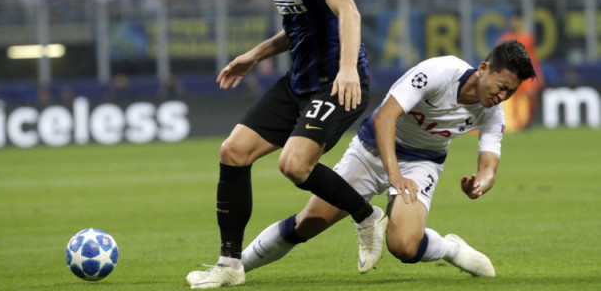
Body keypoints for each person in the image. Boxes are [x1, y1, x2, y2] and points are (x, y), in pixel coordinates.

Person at [186, 0, 386, 289]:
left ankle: (368, 217)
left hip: (336, 85)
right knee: (233, 151)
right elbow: (298, 28)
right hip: (299, 83)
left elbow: (348, 10)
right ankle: (230, 264)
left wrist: (348, 68)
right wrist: (254, 55)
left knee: (293, 165)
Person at [228, 39, 536, 279]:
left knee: (404, 246)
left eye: (510, 92)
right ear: (483, 69)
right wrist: (394, 175)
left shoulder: (493, 112)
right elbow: (385, 118)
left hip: (422, 162)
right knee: (309, 223)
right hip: (371, 149)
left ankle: (452, 250)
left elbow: (489, 162)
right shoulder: (441, 72)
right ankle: (237, 268)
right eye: (501, 87)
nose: (502, 97)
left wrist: (481, 183)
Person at [498, 12, 545, 130]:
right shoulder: (505, 38)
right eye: (513, 21)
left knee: (529, 98)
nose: (514, 23)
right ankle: (515, 123)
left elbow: (533, 58)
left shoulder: (527, 38)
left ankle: (526, 122)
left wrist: (538, 75)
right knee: (511, 99)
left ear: (520, 22)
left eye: (516, 20)